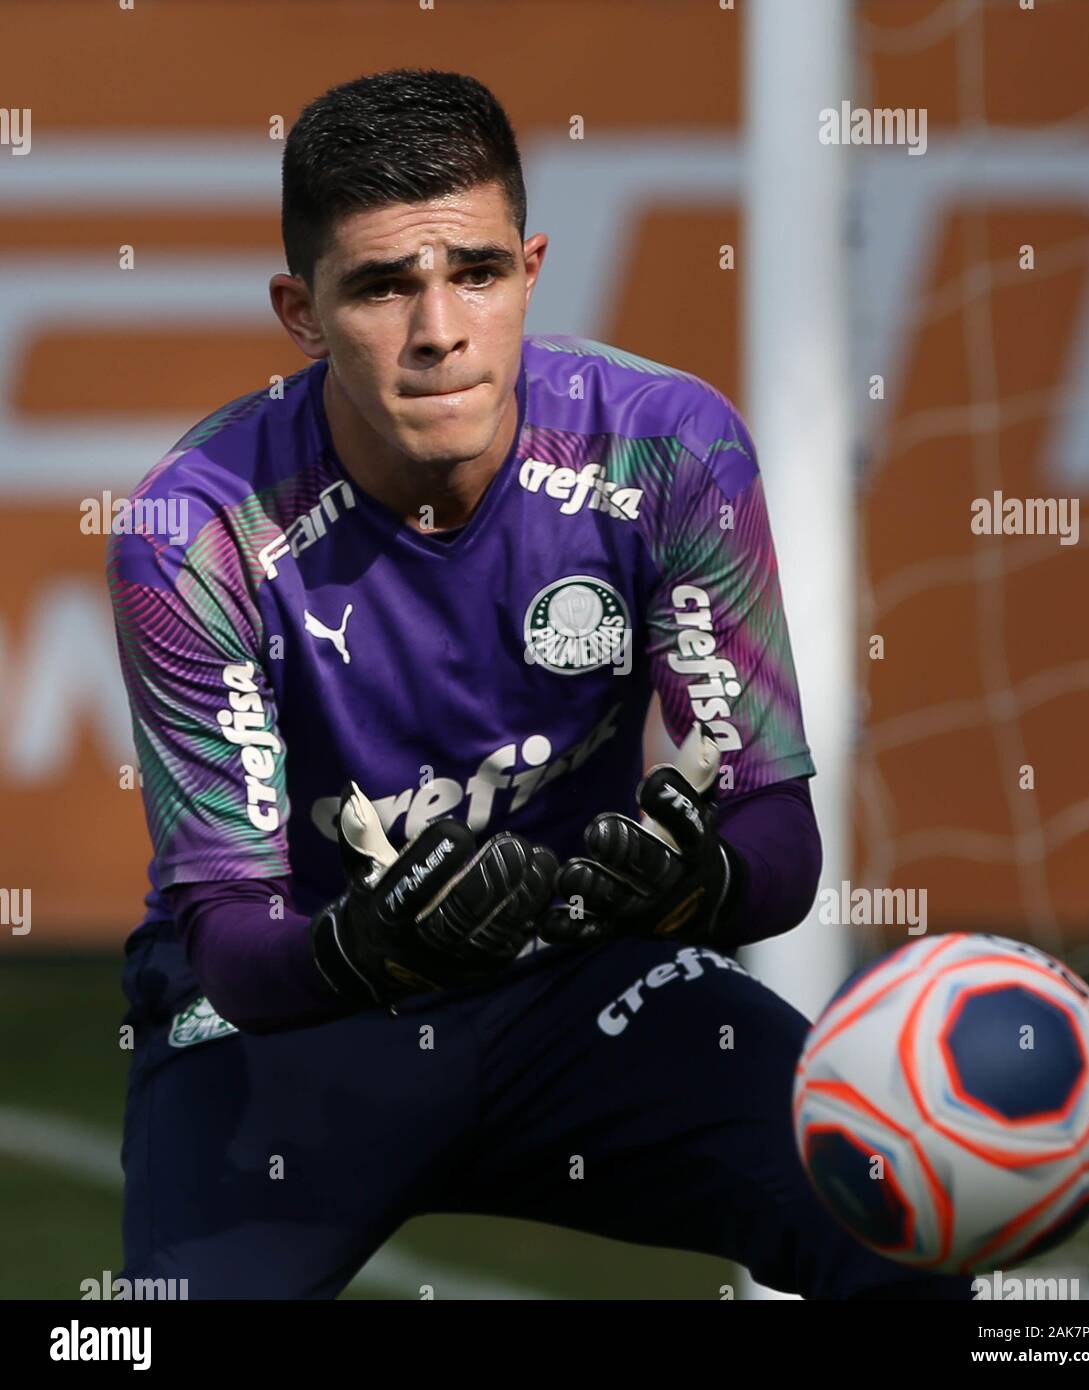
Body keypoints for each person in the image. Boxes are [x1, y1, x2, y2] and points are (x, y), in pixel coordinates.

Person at [107, 67, 970, 1300]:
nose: (440, 330)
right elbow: (234, 946)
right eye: (381, 286)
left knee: (896, 1219)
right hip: (293, 1025)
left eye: (476, 271)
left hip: (575, 987)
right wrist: (369, 945)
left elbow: (778, 837)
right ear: (301, 311)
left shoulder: (668, 446)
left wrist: (693, 883)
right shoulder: (190, 532)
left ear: (531, 267)